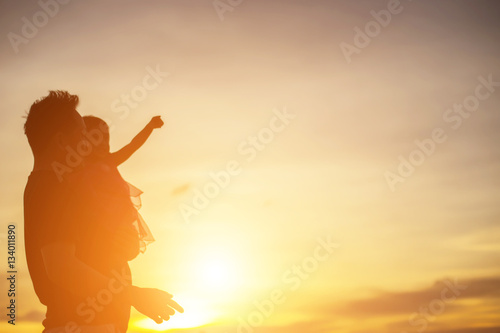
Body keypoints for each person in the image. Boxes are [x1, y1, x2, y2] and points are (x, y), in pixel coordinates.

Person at [23, 91, 182, 333]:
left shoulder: (54, 187)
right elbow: (62, 267)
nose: (88, 140)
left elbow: (90, 251)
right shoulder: (52, 189)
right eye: (81, 133)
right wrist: (136, 296)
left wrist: (122, 243)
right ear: (61, 141)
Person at [80, 115, 164, 253]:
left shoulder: (110, 160)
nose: (102, 143)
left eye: (106, 139)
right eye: (96, 138)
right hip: (99, 227)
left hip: (120, 223)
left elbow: (132, 146)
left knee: (122, 254)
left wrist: (149, 127)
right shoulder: (80, 168)